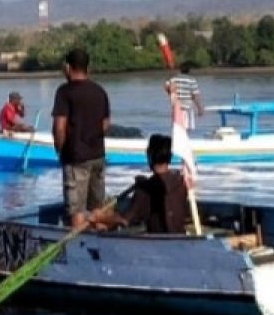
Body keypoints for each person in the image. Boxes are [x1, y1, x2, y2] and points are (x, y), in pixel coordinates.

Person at [52, 46, 111, 228]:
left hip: (75, 158)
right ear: (88, 67)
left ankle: (77, 250)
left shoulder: (64, 92)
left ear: (68, 68)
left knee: (76, 211)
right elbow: (105, 125)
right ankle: (100, 245)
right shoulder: (100, 91)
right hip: (98, 156)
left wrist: (60, 151)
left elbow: (59, 127)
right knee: (97, 209)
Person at [89, 134, 190, 234]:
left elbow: (125, 220)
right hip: (180, 235)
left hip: (158, 243)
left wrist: (100, 217)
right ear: (170, 157)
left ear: (149, 155)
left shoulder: (145, 189)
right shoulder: (181, 181)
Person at [165, 63, 204, 132]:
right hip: (187, 108)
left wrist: (170, 92)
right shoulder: (192, 80)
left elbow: (167, 87)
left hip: (176, 108)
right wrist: (200, 108)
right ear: (189, 70)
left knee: (177, 128)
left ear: (180, 69)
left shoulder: (173, 79)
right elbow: (195, 95)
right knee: (186, 129)